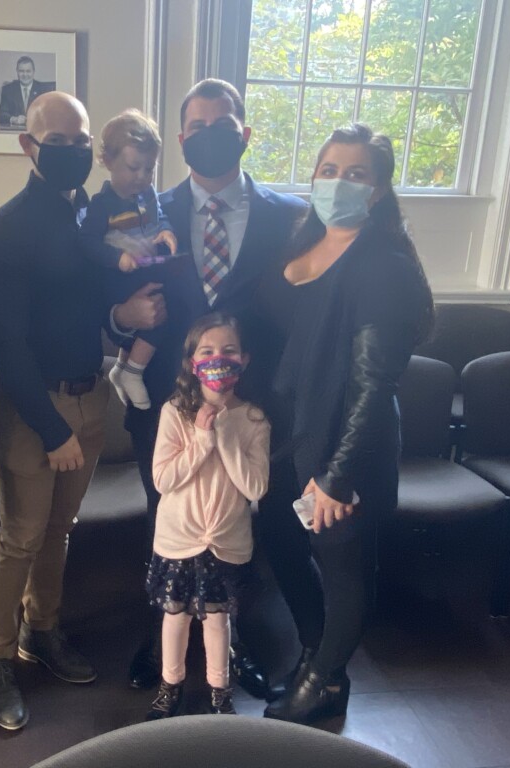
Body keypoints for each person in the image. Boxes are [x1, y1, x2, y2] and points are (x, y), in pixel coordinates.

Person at [0, 91, 158, 731]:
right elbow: (6, 345)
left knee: (60, 529)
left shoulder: (92, 212)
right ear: (29, 148)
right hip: (35, 406)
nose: (74, 154)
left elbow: (97, 309)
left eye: (82, 143)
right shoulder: (7, 230)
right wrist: (52, 430)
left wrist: (125, 318)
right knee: (21, 535)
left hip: (92, 392)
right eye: (59, 143)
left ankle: (41, 631)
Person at [121, 78, 307, 697]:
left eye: (221, 123)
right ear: (180, 139)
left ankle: (237, 641)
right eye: (195, 127)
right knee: (167, 513)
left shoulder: (291, 216)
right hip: (168, 400)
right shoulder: (150, 209)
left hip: (256, 406)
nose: (208, 135)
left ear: (245, 133)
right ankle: (164, 637)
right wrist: (123, 319)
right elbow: (107, 296)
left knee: (244, 521)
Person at [248, 123, 433, 724]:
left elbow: (372, 386)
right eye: (328, 170)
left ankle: (327, 678)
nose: (338, 182)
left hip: (343, 447)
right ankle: (314, 650)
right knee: (279, 535)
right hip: (288, 438)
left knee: (343, 563)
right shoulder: (299, 242)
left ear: (377, 191)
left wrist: (335, 476)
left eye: (356, 174)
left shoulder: (384, 269)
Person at [143, 312, 270, 721]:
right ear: (192, 361)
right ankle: (170, 685)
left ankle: (220, 692)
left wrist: (226, 436)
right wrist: (201, 437)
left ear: (244, 359)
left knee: (218, 620)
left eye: (229, 351)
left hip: (226, 540)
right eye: (208, 351)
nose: (219, 359)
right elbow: (163, 479)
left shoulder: (253, 419)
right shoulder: (174, 412)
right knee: (175, 615)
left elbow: (255, 488)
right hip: (179, 537)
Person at [79, 109, 183, 411]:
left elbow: (160, 216)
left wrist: (166, 231)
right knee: (156, 320)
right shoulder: (102, 204)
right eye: (133, 167)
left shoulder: (149, 194)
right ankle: (133, 372)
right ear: (108, 161)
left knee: (161, 309)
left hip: (144, 267)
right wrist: (117, 258)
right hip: (117, 276)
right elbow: (86, 243)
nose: (142, 176)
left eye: (149, 169)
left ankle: (123, 367)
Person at [0, 56, 52, 131]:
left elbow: (49, 115)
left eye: (28, 71)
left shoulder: (43, 90)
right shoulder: (8, 90)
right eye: (21, 71)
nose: (25, 75)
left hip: (37, 133)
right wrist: (14, 119)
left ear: (33, 72)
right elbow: (1, 114)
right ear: (17, 71)